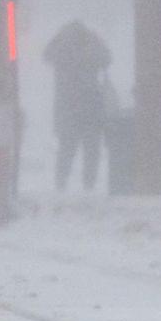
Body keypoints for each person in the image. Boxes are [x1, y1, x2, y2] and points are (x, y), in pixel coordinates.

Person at [42, 20, 112, 192]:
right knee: (91, 148)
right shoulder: (91, 47)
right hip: (91, 105)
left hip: (68, 106)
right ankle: (88, 184)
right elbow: (107, 58)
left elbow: (47, 55)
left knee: (67, 147)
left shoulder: (61, 49)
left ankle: (61, 182)